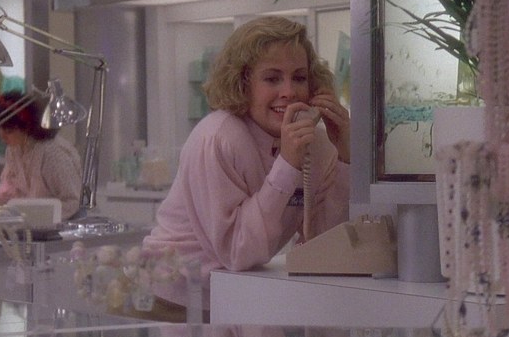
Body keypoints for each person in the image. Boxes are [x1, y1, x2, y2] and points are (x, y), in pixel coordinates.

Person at [141, 16, 351, 320]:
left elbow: (322, 245)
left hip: (240, 296)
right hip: (177, 299)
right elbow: (237, 252)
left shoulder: (314, 144)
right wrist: (287, 165)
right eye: (272, 79)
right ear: (243, 83)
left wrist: (345, 157)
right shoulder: (217, 138)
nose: (289, 92)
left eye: (299, 78)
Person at [0, 90, 83, 220]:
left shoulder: (52, 153)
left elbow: (73, 201)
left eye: (8, 130)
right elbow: (11, 189)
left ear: (26, 126)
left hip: (62, 223)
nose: (2, 136)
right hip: (30, 224)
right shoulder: (13, 150)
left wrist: (40, 218)